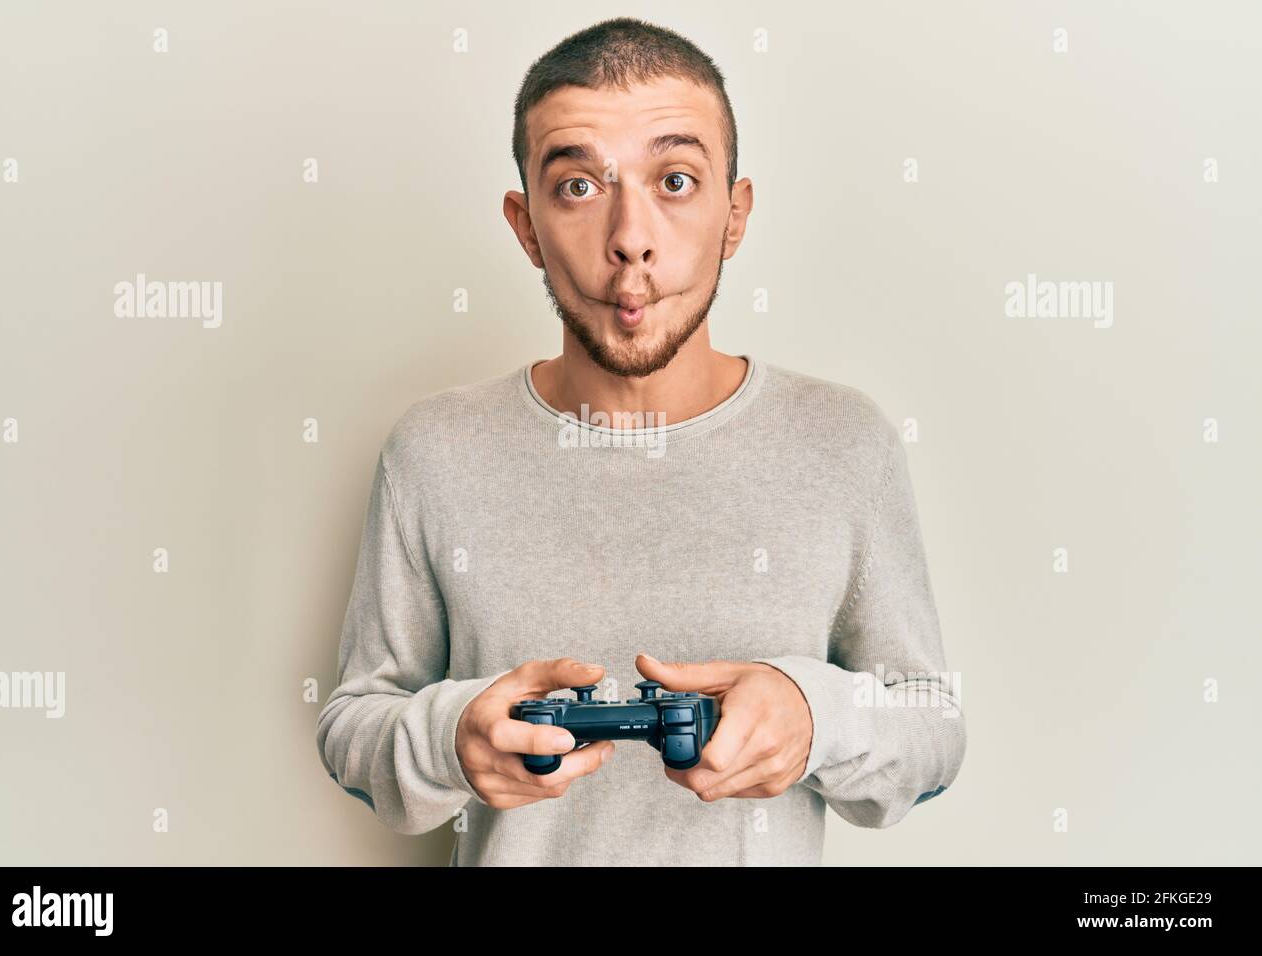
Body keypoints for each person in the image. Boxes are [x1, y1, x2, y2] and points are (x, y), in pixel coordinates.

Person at [316, 16, 966, 866]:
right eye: (580, 186)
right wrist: (450, 738)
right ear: (525, 227)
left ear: (735, 216)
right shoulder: (432, 449)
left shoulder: (847, 443)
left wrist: (816, 717)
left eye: (676, 180)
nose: (631, 238)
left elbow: (933, 728)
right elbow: (354, 719)